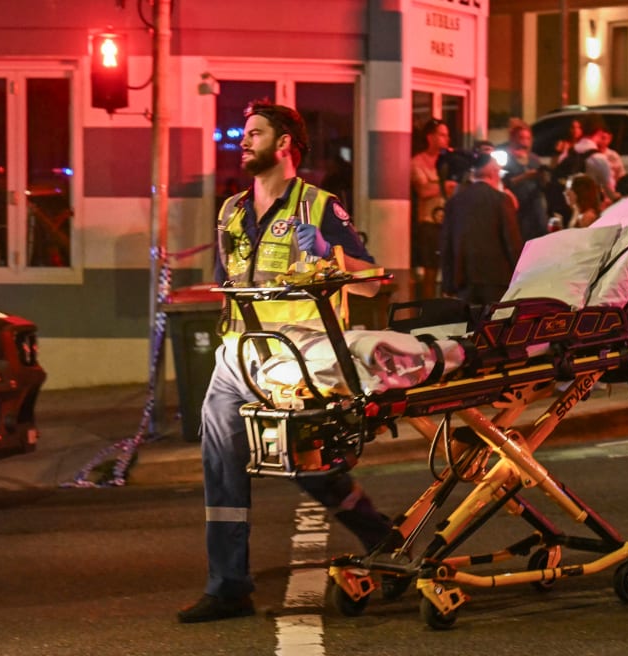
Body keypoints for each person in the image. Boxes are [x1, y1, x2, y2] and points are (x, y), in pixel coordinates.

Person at [179, 100, 393, 624]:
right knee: (221, 465)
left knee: (306, 463)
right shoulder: (231, 211)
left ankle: (383, 537)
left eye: (255, 133)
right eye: (243, 134)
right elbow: (229, 282)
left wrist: (330, 252)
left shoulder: (318, 207)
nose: (243, 141)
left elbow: (373, 280)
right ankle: (228, 585)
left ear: (285, 144)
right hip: (237, 357)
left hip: (297, 357)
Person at [440, 152, 523, 304]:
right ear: (493, 172)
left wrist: (447, 283)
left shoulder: (455, 202)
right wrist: (520, 276)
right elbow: (512, 242)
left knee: (469, 326)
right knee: (494, 325)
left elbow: (446, 244)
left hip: (464, 280)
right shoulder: (501, 200)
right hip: (497, 278)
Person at [410, 118, 456, 299]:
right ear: (430, 137)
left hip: (450, 222)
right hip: (429, 223)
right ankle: (428, 311)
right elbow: (423, 190)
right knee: (430, 271)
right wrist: (445, 186)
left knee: (451, 270)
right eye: (442, 135)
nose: (447, 139)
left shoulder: (451, 161)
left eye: (448, 135)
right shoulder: (418, 162)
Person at [502, 119, 548, 241]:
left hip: (535, 209)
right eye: (521, 138)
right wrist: (525, 176)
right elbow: (504, 184)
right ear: (513, 138)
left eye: (528, 138)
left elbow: (543, 186)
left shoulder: (534, 159)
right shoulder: (506, 159)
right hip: (517, 209)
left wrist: (543, 177)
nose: (525, 142)